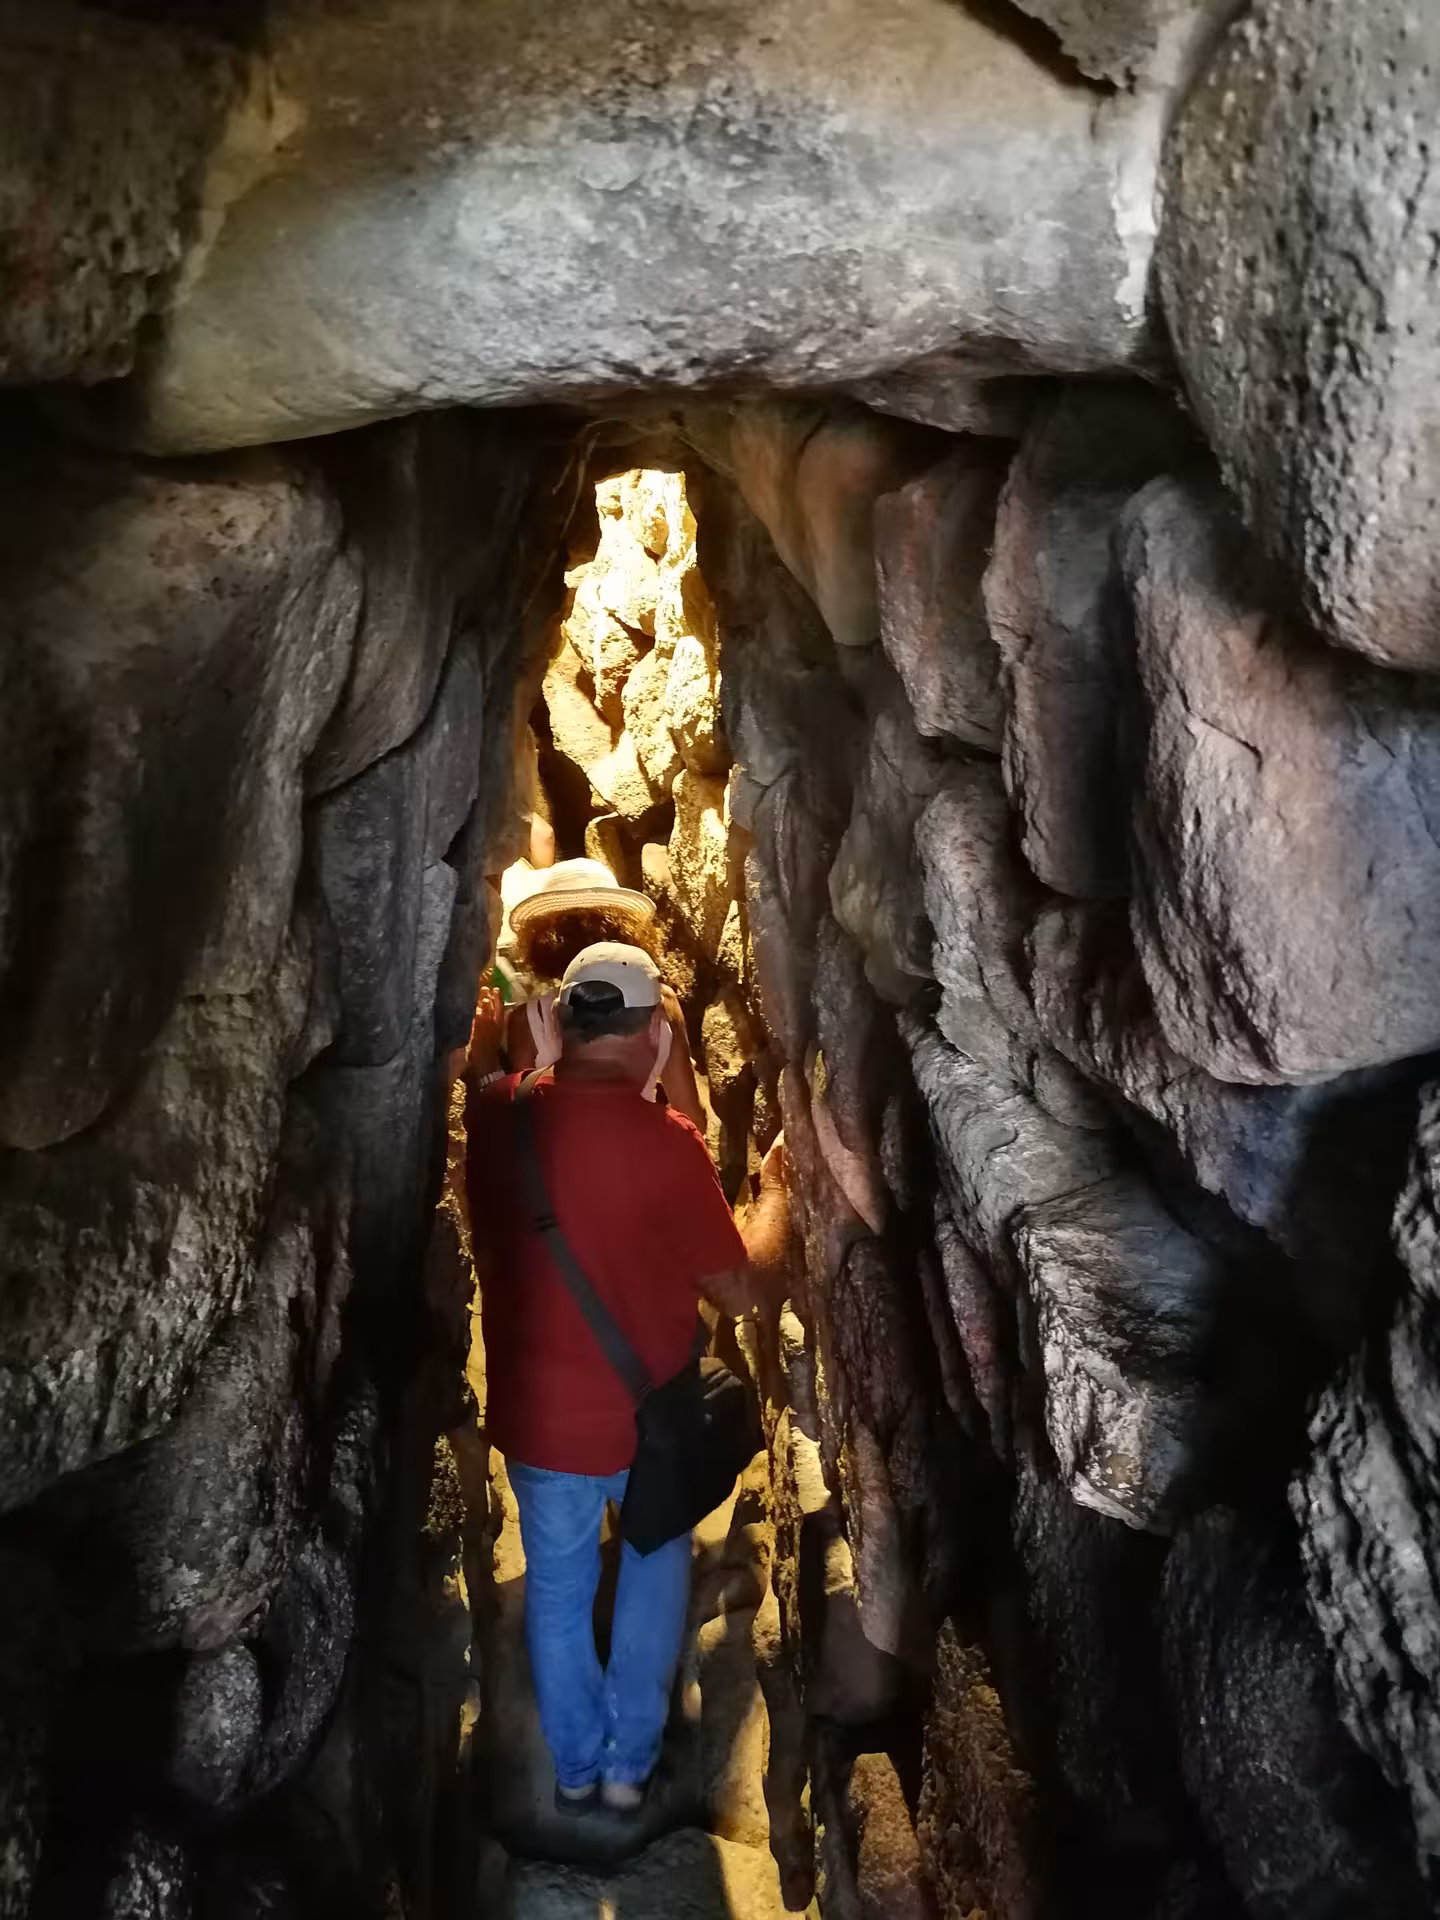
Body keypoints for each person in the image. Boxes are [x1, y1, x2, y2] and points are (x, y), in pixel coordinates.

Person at [463, 943, 775, 1818]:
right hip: (649, 1423)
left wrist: (531, 1064)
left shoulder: (497, 1119)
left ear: (561, 1023)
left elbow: (500, 1107)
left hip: (537, 1420)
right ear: (651, 1034)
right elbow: (738, 1286)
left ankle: (572, 1770)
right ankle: (629, 1770)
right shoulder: (668, 1145)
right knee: (649, 1580)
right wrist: (776, 1195)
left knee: (558, 1596)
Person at [497, 857, 705, 1133]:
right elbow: (692, 1117)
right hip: (641, 1156)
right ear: (621, 927)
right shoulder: (660, 1002)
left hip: (563, 1167)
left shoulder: (528, 1020)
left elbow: (521, 1125)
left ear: (546, 937)